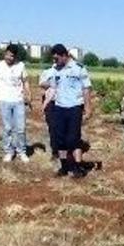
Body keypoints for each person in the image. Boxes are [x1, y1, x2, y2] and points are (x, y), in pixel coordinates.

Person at [39, 43, 93, 178]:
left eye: (57, 58)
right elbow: (51, 87)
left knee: (73, 139)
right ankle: (64, 167)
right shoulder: (55, 69)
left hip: (74, 107)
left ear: (64, 55)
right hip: (59, 107)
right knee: (60, 139)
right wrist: (45, 104)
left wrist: (88, 107)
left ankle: (77, 167)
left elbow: (86, 89)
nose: (55, 61)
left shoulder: (79, 69)